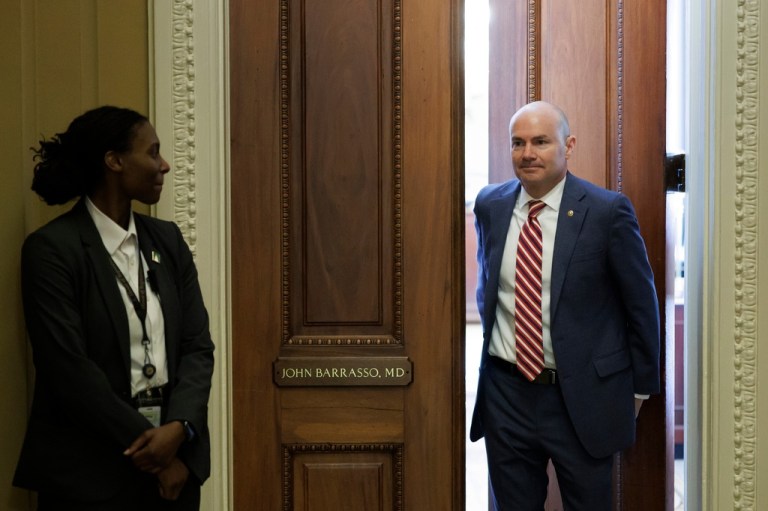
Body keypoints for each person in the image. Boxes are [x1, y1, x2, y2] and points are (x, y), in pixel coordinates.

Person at [13, 106, 215, 510]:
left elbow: (197, 347)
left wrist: (179, 429)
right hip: (90, 474)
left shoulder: (168, 241)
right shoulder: (53, 250)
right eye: (153, 152)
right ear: (115, 161)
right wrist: (157, 453)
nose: (165, 165)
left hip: (175, 473)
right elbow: (69, 370)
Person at [469, 101, 660, 510]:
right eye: (518, 143)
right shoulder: (490, 205)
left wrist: (640, 389)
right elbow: (491, 287)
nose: (528, 153)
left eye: (540, 141)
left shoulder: (607, 212)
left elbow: (641, 305)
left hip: (582, 399)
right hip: (507, 396)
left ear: (568, 145)